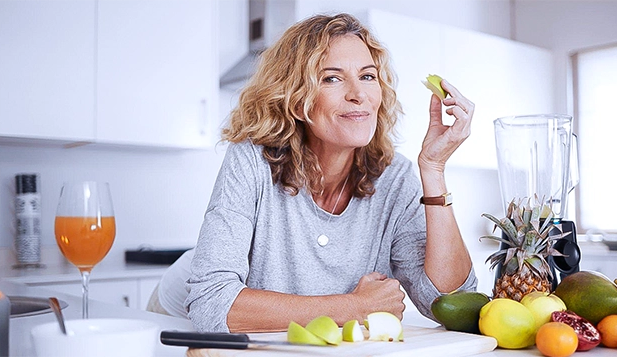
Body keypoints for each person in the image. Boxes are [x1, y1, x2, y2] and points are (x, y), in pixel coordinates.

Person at [184, 12, 476, 333]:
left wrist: (433, 170)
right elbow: (210, 302)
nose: (358, 94)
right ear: (297, 101)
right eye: (332, 78)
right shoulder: (251, 160)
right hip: (173, 313)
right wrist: (354, 307)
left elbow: (453, 304)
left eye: (367, 76)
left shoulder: (394, 178)